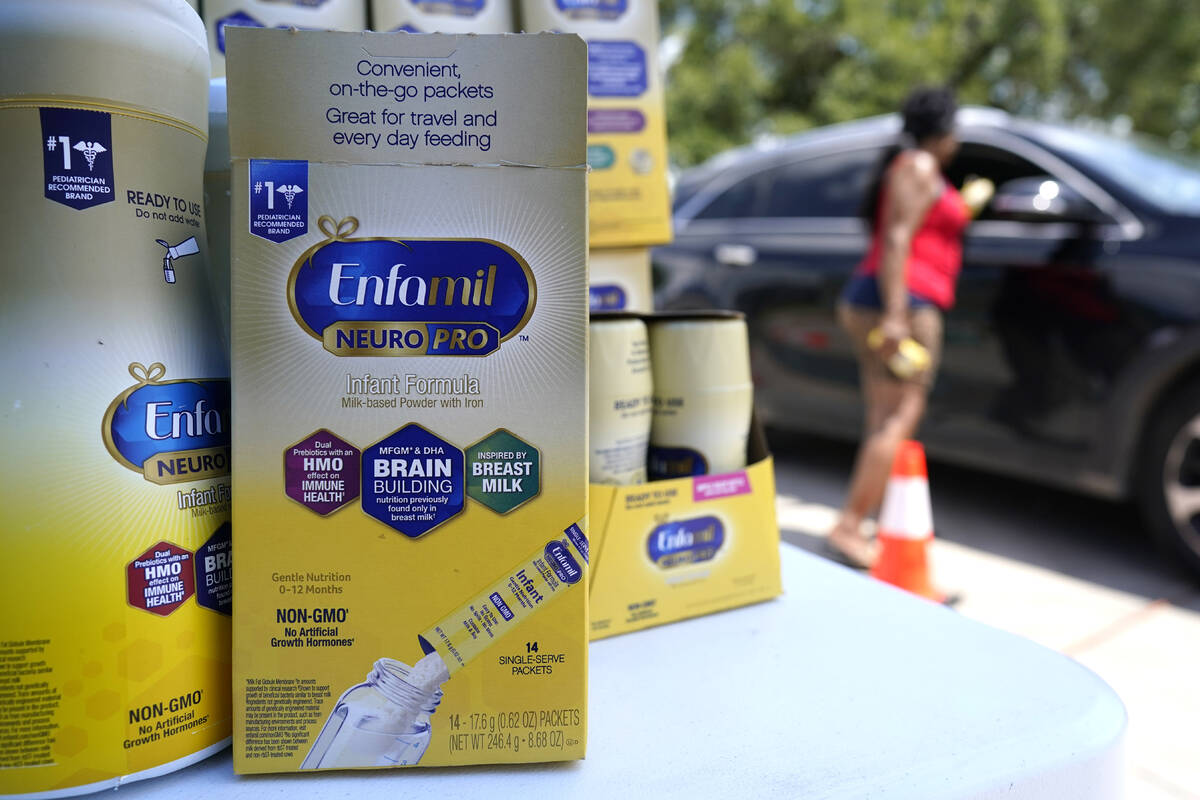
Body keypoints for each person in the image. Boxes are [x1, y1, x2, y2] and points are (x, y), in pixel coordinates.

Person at [825, 86, 989, 568]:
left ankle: (858, 521)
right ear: (944, 131)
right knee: (896, 418)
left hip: (882, 299)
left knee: (883, 419)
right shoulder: (919, 167)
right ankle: (850, 525)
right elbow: (898, 239)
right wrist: (897, 316)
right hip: (903, 304)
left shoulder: (912, 167)